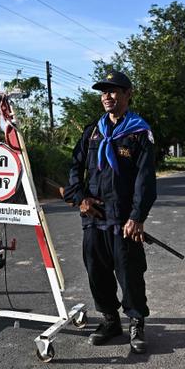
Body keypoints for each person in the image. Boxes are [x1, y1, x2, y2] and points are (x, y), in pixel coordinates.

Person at [64, 70, 157, 354]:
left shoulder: (140, 132)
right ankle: (109, 319)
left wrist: (137, 217)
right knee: (96, 271)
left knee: (129, 273)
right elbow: (74, 167)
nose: (107, 96)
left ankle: (136, 322)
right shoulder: (93, 131)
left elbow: (145, 179)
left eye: (114, 90)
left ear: (128, 94)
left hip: (124, 219)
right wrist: (79, 198)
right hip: (93, 218)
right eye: (103, 91)